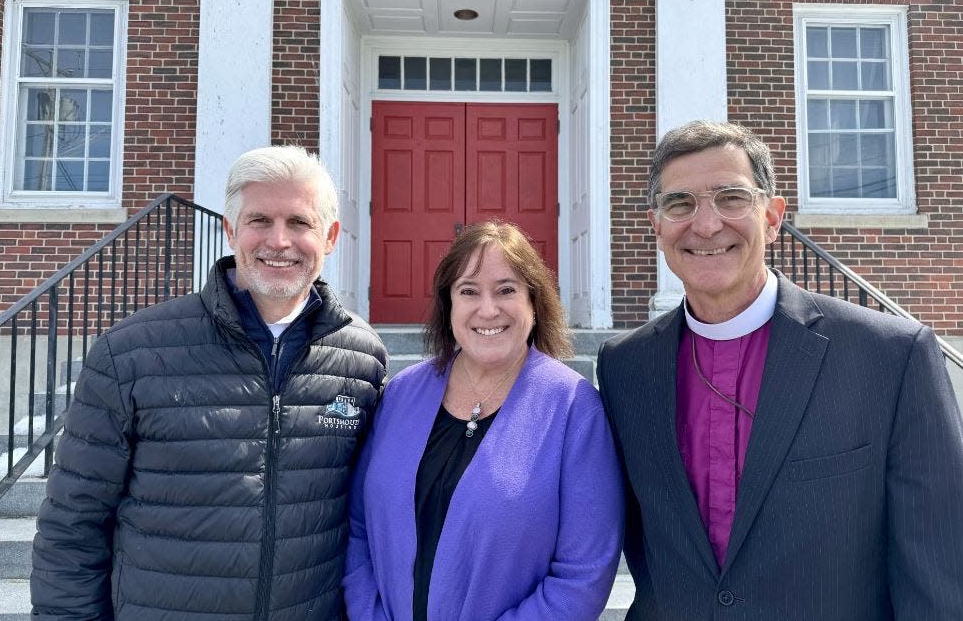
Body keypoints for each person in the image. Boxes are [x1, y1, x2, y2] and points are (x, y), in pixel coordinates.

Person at [598, 120, 963, 620]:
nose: (705, 225)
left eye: (731, 198)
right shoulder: (625, 368)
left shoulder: (889, 358)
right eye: (680, 203)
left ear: (772, 218)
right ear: (656, 225)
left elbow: (940, 576)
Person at [30, 145, 388, 620]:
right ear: (229, 229)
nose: (279, 241)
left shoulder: (361, 360)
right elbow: (72, 525)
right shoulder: (132, 354)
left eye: (300, 223)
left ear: (330, 237)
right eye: (260, 220)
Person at [344, 220, 624, 621]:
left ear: (534, 302)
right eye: (468, 292)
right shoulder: (401, 395)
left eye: (507, 290)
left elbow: (581, 576)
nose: (487, 309)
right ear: (449, 305)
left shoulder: (574, 409)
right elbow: (358, 529)